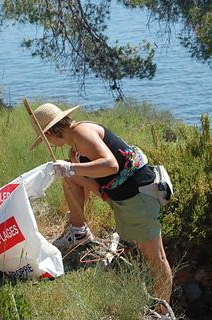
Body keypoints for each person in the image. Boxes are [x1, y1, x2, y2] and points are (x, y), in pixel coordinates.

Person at [29, 102, 173, 316]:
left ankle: (162, 311)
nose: (47, 142)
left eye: (45, 138)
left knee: (156, 258)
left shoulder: (82, 132)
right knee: (69, 176)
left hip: (138, 197)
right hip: (123, 200)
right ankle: (78, 230)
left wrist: (72, 168)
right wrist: (74, 174)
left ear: (50, 133)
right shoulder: (74, 151)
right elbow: (91, 179)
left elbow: (111, 165)